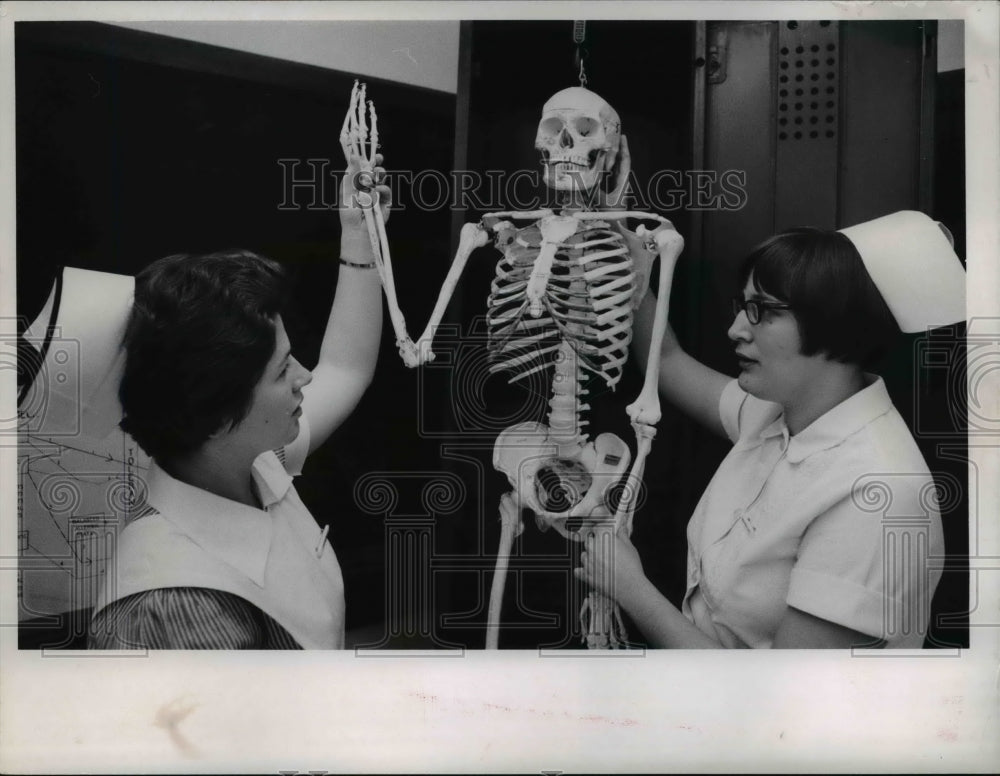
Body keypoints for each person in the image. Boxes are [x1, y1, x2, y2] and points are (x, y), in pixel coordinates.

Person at [576, 211, 965, 648]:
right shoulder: (775, 415)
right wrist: (632, 271)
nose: (735, 329)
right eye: (741, 307)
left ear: (834, 320)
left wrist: (631, 589)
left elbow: (777, 700)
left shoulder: (879, 492)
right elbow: (667, 360)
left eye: (760, 311)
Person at [87, 148, 391, 649]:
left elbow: (346, 368)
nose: (306, 377)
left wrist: (360, 233)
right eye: (282, 371)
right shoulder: (169, 613)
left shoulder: (247, 462)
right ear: (216, 417)